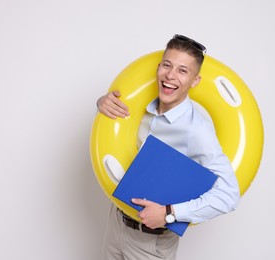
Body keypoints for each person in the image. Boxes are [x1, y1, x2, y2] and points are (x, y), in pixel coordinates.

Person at [97, 34, 240, 260]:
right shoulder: (137, 110)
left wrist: (170, 213)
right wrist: (102, 103)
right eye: (167, 65)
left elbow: (229, 195)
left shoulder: (197, 131)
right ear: (159, 67)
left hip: (152, 241)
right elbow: (108, 134)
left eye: (183, 71)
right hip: (116, 224)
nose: (170, 76)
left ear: (195, 81)